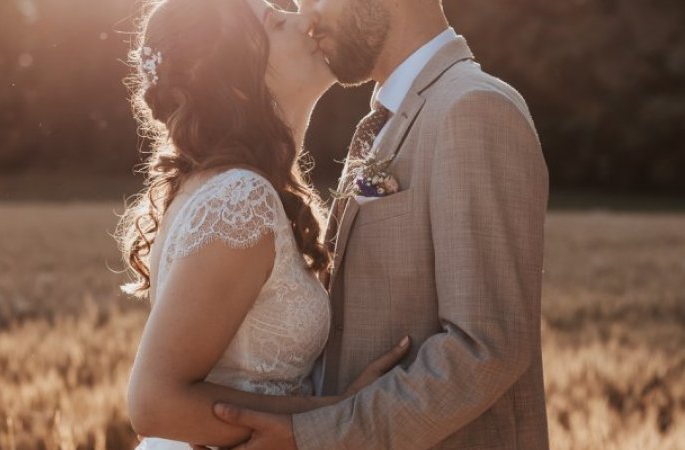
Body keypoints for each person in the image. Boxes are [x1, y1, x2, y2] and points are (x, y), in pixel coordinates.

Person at [207, 0, 552, 448]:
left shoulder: (475, 107)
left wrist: (312, 436)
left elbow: (487, 348)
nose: (308, 17)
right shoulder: (390, 119)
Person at [117, 0, 411, 449]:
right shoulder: (240, 199)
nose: (306, 20)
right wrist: (336, 413)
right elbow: (154, 403)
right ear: (236, 81)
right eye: (276, 21)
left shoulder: (226, 187)